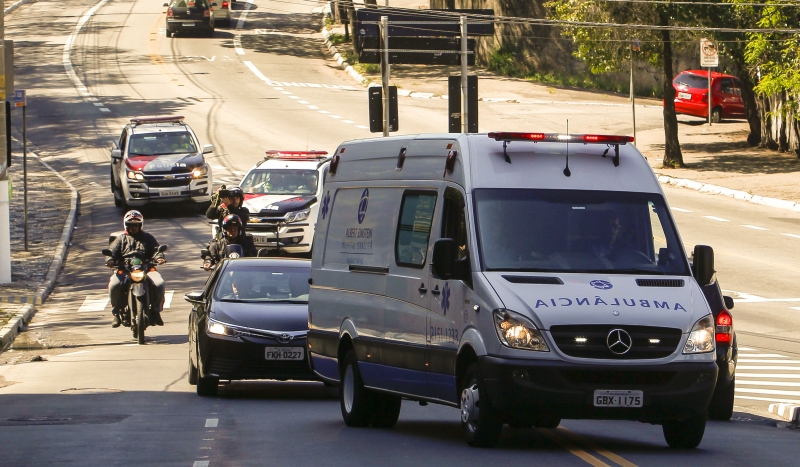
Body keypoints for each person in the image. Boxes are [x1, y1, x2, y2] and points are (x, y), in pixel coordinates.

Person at [106, 210, 166, 328]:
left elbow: (156, 249)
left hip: (146, 268)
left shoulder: (148, 237)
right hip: (126, 269)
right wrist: (110, 260)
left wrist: (159, 258)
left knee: (159, 283)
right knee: (114, 284)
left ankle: (156, 311)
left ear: (140, 225)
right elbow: (112, 252)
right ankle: (117, 313)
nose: (133, 227)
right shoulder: (121, 239)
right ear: (126, 225)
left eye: (136, 225)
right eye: (131, 225)